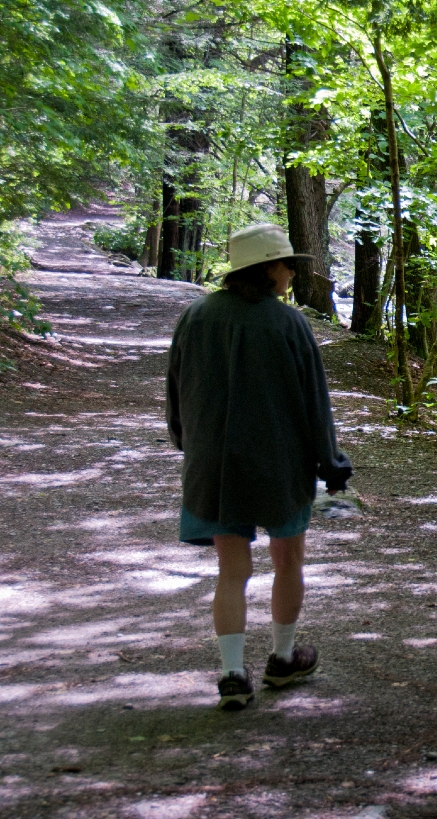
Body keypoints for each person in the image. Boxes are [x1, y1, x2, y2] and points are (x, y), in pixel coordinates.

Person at [166, 223, 352, 710]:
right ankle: (282, 660)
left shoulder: (196, 314)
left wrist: (188, 442)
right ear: (269, 267)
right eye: (290, 263)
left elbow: (176, 387)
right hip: (280, 465)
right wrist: (332, 464)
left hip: (214, 466)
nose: (293, 272)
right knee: (288, 559)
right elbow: (315, 402)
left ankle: (231, 674)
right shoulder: (288, 323)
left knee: (232, 570)